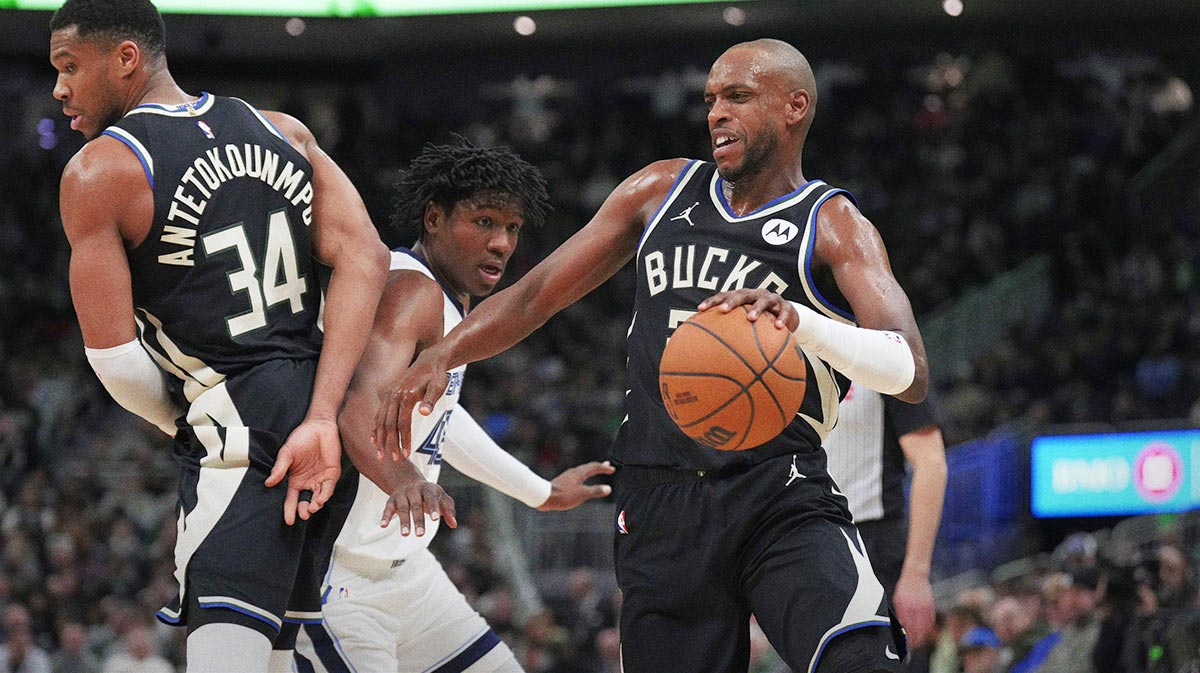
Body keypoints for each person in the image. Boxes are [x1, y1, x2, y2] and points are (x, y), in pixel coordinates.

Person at [377, 38, 928, 673]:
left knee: (859, 660)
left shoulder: (831, 223)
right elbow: (534, 296)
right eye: (711, 99)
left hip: (777, 488)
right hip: (657, 494)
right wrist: (444, 353)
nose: (717, 112)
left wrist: (804, 323)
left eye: (738, 97)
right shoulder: (660, 190)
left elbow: (909, 371)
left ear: (794, 108)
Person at [49, 1, 390, 671]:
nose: (59, 88)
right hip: (325, 430)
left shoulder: (100, 172)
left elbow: (117, 362)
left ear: (126, 59)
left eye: (69, 67)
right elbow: (367, 256)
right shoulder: (283, 130)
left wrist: (197, 422)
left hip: (242, 441)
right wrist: (322, 414)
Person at [290, 139, 615, 673]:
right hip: (337, 584)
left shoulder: (445, 304)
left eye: (511, 228)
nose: (500, 243)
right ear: (434, 219)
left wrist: (541, 492)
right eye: (483, 222)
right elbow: (352, 405)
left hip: (407, 575)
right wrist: (402, 480)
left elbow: (442, 419)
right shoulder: (409, 292)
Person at [822, 384, 947, 652]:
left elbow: (931, 463)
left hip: (872, 549)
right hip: (808, 546)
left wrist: (916, 573)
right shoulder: (784, 352)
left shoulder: (886, 347)